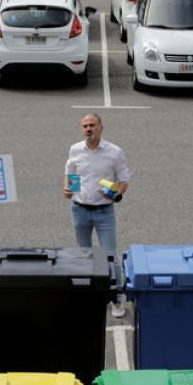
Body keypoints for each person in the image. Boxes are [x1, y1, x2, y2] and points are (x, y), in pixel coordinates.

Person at [63, 114, 130, 317]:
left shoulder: (114, 152)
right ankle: (88, 296)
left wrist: (115, 193)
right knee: (84, 256)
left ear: (101, 127)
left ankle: (116, 300)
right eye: (85, 126)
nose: (88, 129)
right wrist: (67, 189)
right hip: (79, 209)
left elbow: (124, 180)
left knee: (111, 257)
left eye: (92, 125)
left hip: (104, 212)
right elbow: (70, 173)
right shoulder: (75, 149)